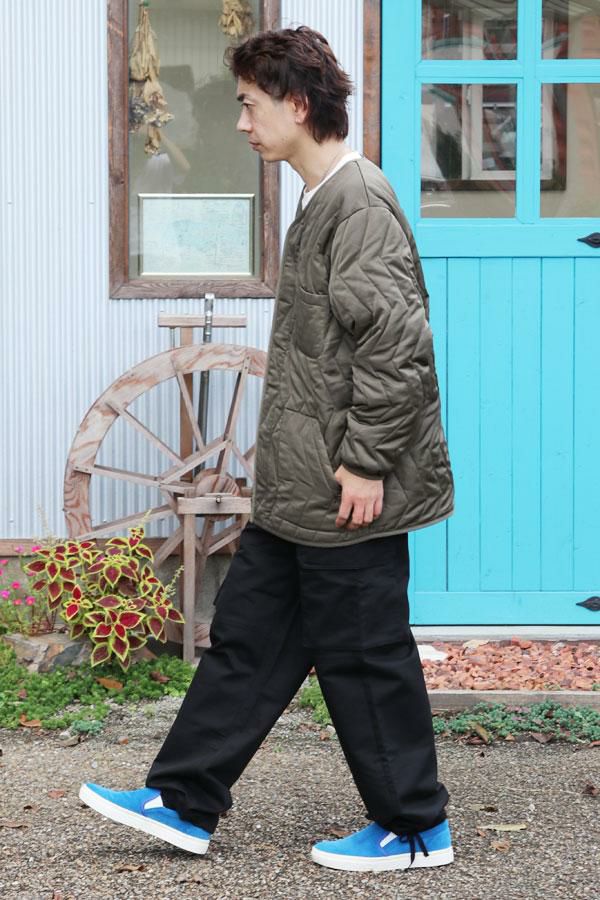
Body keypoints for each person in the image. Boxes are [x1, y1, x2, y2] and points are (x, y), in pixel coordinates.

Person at [79, 25, 456, 873]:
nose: (242, 123)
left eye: (251, 106)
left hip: (345, 487)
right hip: (299, 491)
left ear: (297, 104)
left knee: (365, 655)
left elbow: (397, 348)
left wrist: (366, 461)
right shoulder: (322, 198)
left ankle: (415, 828)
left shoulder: (358, 203)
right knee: (248, 641)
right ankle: (184, 801)